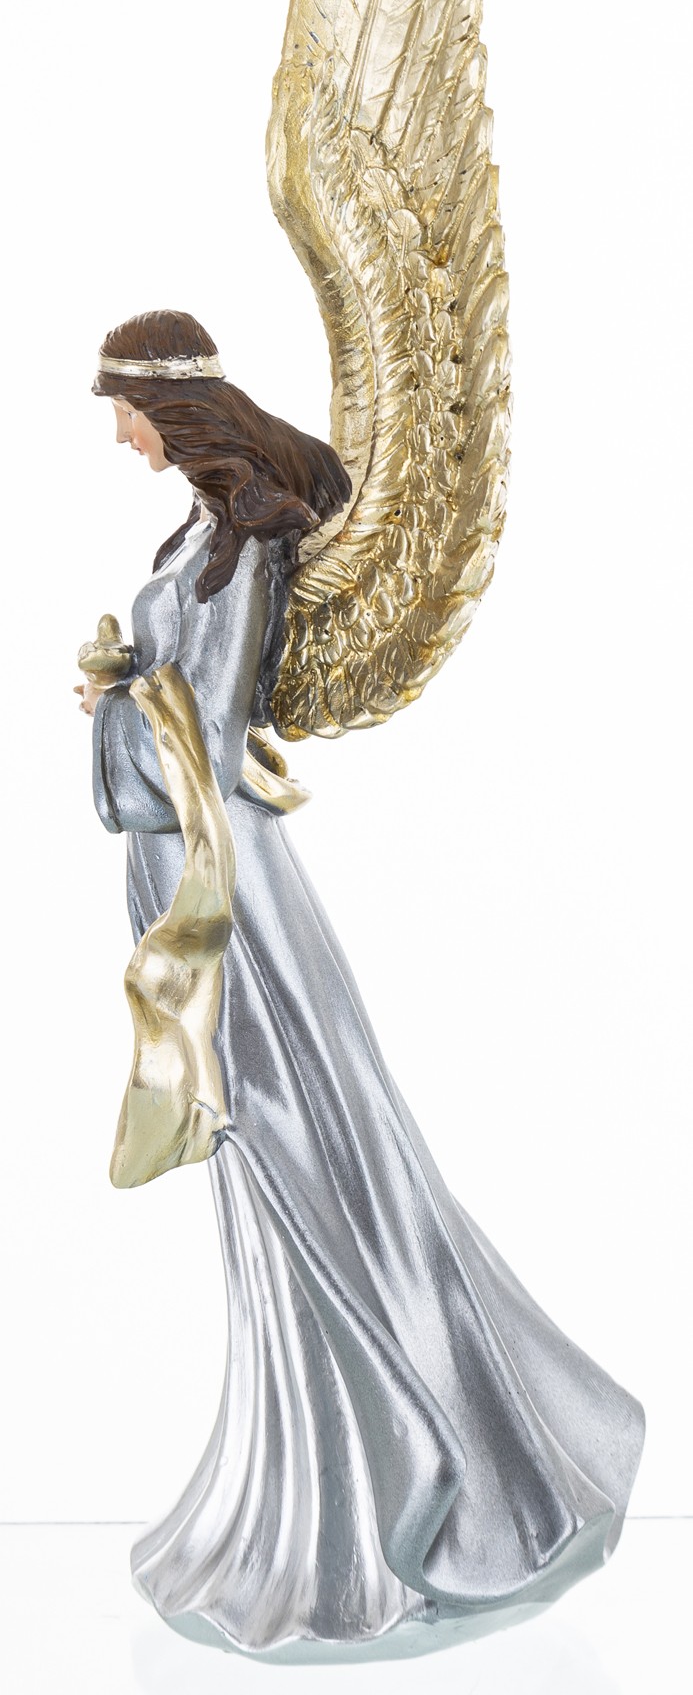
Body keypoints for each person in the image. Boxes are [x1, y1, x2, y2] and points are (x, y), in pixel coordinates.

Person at [77, 306, 645, 1661]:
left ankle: (407, 1488)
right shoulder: (203, 538)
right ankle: (310, 1491)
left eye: (123, 408)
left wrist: (114, 703)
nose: (118, 433)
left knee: (298, 1155)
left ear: (174, 410)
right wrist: (127, 688)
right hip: (201, 866)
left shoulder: (237, 551)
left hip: (223, 886)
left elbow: (209, 729)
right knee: (270, 1166)